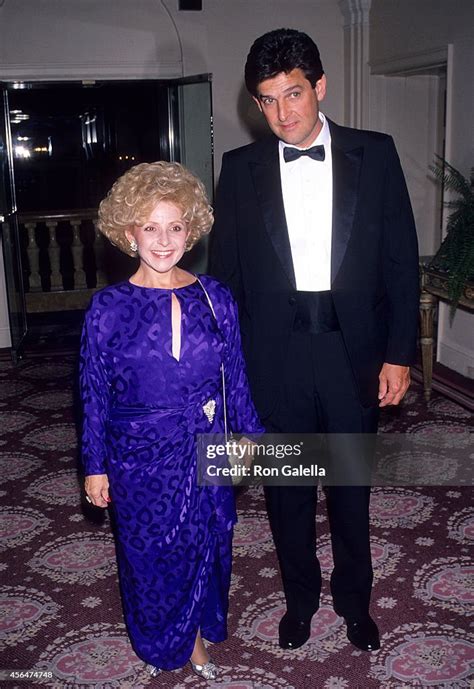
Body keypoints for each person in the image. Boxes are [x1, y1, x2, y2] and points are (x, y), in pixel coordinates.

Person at [210, 28, 419, 653]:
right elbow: (226, 280)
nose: (282, 113)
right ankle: (300, 600)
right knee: (288, 493)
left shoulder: (374, 154)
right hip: (273, 359)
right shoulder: (240, 170)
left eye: (293, 94)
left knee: (351, 490)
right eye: (267, 100)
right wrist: (229, 369)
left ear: (320, 87)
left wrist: (398, 352)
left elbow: (401, 263)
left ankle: (356, 601)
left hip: (352, 351)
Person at [80, 161, 263, 679]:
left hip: (204, 439)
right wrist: (94, 466)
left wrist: (249, 436)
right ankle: (165, 638)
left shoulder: (215, 296)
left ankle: (198, 634)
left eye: (175, 226)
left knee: (210, 539)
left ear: (192, 229)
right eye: (150, 227)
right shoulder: (107, 308)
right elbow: (93, 392)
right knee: (152, 554)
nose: (164, 240)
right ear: (128, 232)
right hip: (138, 451)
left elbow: (236, 374)